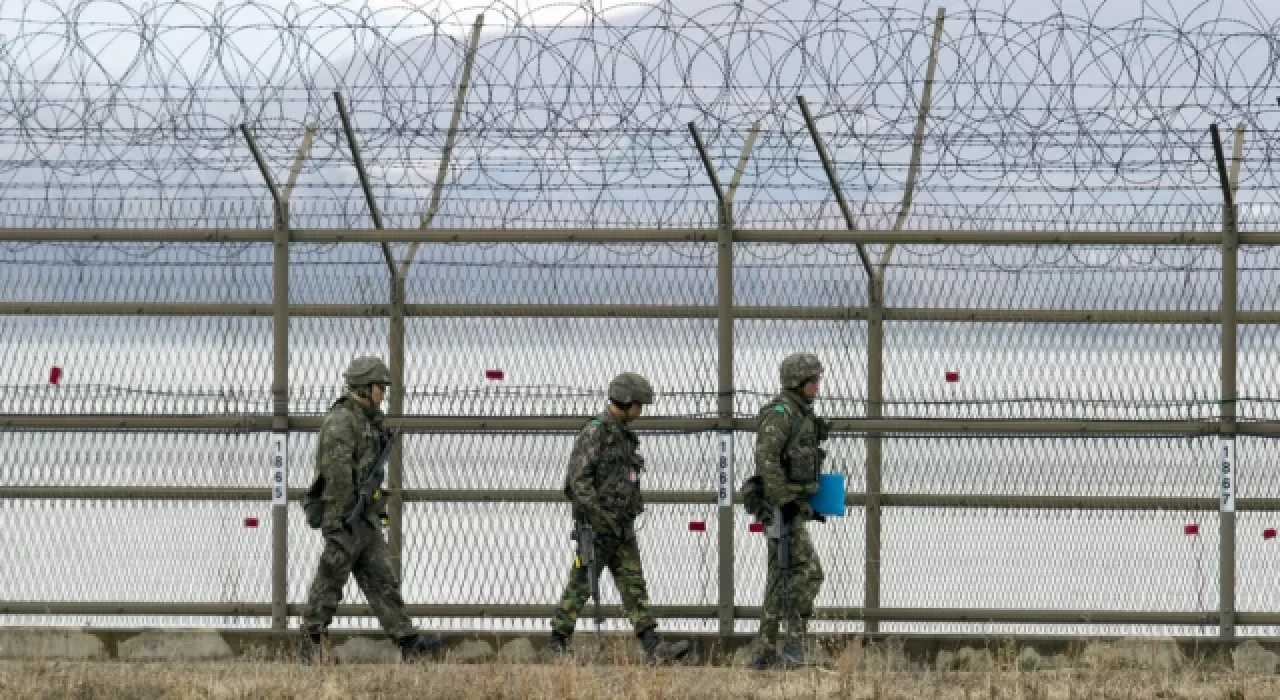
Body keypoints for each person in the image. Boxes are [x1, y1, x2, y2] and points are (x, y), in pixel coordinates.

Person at [298, 356, 442, 663]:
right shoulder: (342, 421)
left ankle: (408, 643)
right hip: (345, 517)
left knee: (382, 580)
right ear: (363, 387)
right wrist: (343, 519)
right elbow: (336, 473)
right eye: (379, 387)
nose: (383, 393)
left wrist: (371, 508)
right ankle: (310, 644)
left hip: (364, 517)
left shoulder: (369, 420)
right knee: (330, 581)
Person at [547, 372, 691, 664]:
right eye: (639, 404)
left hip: (621, 526)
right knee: (581, 584)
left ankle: (653, 648)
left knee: (634, 585)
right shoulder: (596, 432)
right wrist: (596, 517)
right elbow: (577, 480)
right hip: (599, 527)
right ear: (626, 402)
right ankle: (557, 643)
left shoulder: (622, 434)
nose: (641, 410)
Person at [749, 353, 830, 670]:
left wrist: (808, 505)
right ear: (799, 382)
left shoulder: (799, 413)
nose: (817, 386)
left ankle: (765, 649)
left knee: (778, 577)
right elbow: (766, 462)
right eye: (813, 381)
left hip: (794, 508)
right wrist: (787, 503)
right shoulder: (781, 414)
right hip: (783, 511)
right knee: (809, 572)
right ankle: (794, 642)